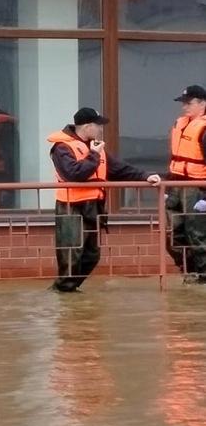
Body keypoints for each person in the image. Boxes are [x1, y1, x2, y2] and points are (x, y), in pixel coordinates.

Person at [47, 107, 161, 293]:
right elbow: (74, 174)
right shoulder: (62, 148)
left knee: (92, 255)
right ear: (86, 126)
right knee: (71, 254)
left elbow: (119, 169)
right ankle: (64, 293)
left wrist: (145, 175)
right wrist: (94, 155)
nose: (101, 129)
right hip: (71, 207)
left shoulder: (94, 147)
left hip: (92, 207)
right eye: (98, 125)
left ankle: (68, 290)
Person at [166, 85, 206, 282]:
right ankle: (190, 273)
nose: (184, 107)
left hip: (198, 189)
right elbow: (176, 158)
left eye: (188, 103)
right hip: (176, 186)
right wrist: (167, 185)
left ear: (202, 103)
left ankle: (203, 277)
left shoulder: (204, 128)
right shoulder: (180, 124)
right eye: (183, 103)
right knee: (173, 235)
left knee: (197, 235)